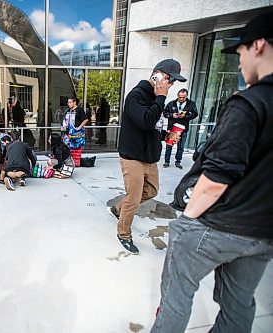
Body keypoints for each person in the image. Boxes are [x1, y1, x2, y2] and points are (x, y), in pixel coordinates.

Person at [151, 11, 273, 333]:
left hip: (219, 226)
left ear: (258, 45)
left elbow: (217, 177)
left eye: (241, 52)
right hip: (262, 234)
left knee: (176, 299)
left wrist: (185, 222)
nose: (239, 62)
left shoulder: (249, 104)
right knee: (238, 308)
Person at [111, 59, 186, 254]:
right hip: (133, 157)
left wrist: (166, 135)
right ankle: (124, 233)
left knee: (151, 192)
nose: (170, 85)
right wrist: (161, 97)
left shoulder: (156, 99)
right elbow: (145, 121)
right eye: (169, 79)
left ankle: (120, 208)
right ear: (157, 75)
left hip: (149, 157)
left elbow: (153, 128)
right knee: (134, 198)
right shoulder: (136, 96)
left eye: (173, 82)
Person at [162, 88, 198, 169]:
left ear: (186, 96)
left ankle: (178, 161)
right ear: (177, 96)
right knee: (169, 145)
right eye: (180, 97)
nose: (181, 99)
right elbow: (164, 113)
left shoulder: (191, 104)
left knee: (181, 147)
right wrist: (172, 115)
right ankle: (166, 161)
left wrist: (186, 116)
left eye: (183, 97)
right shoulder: (171, 104)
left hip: (183, 129)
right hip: (172, 128)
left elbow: (195, 114)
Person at [62, 97, 88, 166]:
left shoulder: (80, 110)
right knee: (67, 147)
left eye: (70, 102)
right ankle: (69, 162)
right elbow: (65, 120)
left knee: (77, 147)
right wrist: (64, 127)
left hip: (77, 132)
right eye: (68, 102)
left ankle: (76, 163)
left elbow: (85, 119)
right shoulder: (67, 110)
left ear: (74, 102)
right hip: (68, 132)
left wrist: (79, 127)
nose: (69, 104)